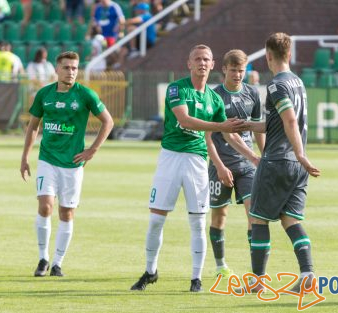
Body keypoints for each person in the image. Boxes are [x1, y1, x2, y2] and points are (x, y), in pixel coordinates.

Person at [130, 44, 247, 293]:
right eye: (198, 59)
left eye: (207, 59)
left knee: (197, 222)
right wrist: (221, 127)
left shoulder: (214, 99)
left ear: (213, 65)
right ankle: (150, 271)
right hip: (171, 157)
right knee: (155, 220)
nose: (202, 63)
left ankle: (196, 279)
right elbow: (184, 119)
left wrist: (254, 157)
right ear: (189, 63)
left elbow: (228, 136)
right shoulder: (177, 88)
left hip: (196, 161)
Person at [20, 51, 114, 277]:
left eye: (74, 68)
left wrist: (93, 149)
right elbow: (33, 126)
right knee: (45, 206)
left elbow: (108, 121)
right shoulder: (44, 94)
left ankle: (57, 263)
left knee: (67, 213)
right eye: (67, 67)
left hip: (72, 164)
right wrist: (24, 157)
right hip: (48, 160)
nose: (71, 72)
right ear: (57, 69)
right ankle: (43, 258)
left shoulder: (85, 95)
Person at [244, 33, 320, 293]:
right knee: (290, 219)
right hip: (296, 167)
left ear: (268, 56)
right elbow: (278, 122)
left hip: (278, 159)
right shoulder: (298, 82)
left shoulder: (276, 85)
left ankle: (257, 282)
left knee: (258, 220)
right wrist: (249, 125)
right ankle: (308, 274)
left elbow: (289, 120)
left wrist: (299, 154)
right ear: (289, 55)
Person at [206, 49, 265, 278]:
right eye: (234, 70)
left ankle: (256, 271)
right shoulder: (214, 96)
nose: (238, 75)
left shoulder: (252, 93)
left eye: (241, 71)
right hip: (221, 164)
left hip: (248, 164)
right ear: (224, 70)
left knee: (254, 215)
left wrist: (264, 155)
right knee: (220, 216)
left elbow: (258, 128)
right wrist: (219, 165)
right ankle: (220, 265)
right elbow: (208, 136)